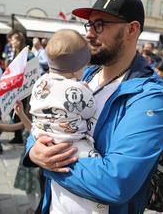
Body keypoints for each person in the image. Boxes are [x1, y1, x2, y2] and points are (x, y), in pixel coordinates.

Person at [23, 0, 163, 213]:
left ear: (132, 29)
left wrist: (47, 165)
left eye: (100, 25)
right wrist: (32, 150)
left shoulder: (149, 97)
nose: (90, 34)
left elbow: (115, 184)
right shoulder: (83, 75)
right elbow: (46, 120)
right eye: (89, 25)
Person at [29, 29, 105, 212]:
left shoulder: (41, 81)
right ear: (78, 67)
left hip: (42, 137)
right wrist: (86, 91)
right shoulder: (77, 88)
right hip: (70, 143)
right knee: (95, 159)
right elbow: (89, 111)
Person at [0, 101, 41, 214]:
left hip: (37, 161)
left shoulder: (40, 122)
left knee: (39, 188)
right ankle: (34, 208)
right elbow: (14, 127)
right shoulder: (27, 119)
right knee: (28, 187)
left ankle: (38, 209)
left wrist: (21, 115)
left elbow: (32, 130)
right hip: (27, 158)